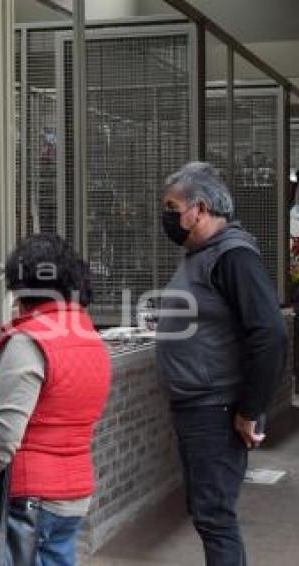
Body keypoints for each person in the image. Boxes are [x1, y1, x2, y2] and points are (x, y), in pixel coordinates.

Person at [156, 161, 288, 566]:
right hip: (198, 405)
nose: (168, 217)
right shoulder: (201, 253)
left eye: (172, 207)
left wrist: (250, 409)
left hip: (216, 408)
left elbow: (270, 334)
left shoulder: (233, 257)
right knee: (208, 513)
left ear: (199, 208)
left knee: (215, 517)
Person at [0, 234, 112, 565]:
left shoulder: (29, 342)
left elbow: (3, 437)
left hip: (29, 499)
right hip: (72, 496)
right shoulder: (88, 335)